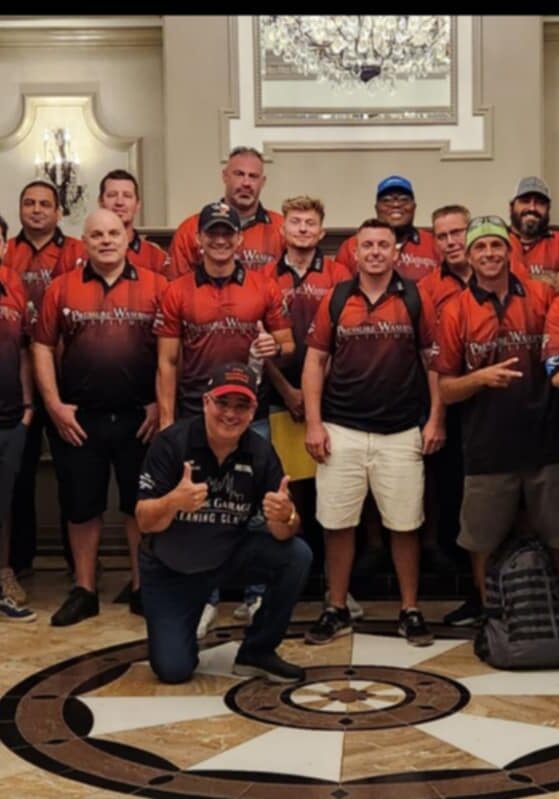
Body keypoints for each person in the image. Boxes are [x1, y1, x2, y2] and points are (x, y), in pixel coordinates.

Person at [155, 200, 294, 636]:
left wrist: (275, 347)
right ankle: (205, 598)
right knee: (200, 509)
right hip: (195, 414)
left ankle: (255, 594)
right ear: (199, 239)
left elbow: (288, 344)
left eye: (226, 232)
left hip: (252, 414)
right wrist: (166, 423)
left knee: (257, 504)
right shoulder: (177, 290)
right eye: (212, 232)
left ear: (239, 238)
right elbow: (167, 362)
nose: (219, 240)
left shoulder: (263, 285)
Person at [302, 218, 443, 647]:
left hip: (401, 430)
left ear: (396, 252)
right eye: (368, 245)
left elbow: (433, 362)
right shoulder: (336, 298)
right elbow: (315, 362)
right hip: (341, 428)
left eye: (384, 244)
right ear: (355, 253)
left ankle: (410, 609)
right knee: (338, 523)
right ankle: (336, 608)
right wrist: (314, 423)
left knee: (405, 524)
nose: (376, 252)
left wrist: (436, 418)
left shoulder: (415, 298)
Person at [136, 361, 312, 684]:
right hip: (171, 570)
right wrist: (173, 501)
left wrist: (285, 515)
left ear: (253, 410)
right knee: (173, 669)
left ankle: (258, 651)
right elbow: (144, 521)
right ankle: (179, 630)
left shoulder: (260, 452)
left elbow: (284, 531)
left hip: (227, 558)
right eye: (222, 403)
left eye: (241, 405)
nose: (231, 414)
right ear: (206, 402)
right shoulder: (171, 444)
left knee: (297, 555)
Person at [32, 209, 167, 625]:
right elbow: (41, 347)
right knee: (81, 507)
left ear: (127, 237)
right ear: (84, 241)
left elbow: (171, 352)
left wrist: (160, 405)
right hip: (79, 419)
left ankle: (142, 587)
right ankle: (85, 590)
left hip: (140, 417)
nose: (106, 240)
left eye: (113, 233)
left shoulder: (157, 286)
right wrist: (54, 405)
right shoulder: (61, 287)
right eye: (97, 235)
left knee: (139, 505)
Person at [433, 215, 559, 607]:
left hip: (546, 443)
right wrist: (479, 378)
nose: (489, 253)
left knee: (557, 536)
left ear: (509, 251)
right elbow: (446, 389)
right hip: (487, 449)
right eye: (480, 247)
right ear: (469, 256)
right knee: (482, 541)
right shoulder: (455, 310)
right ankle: (491, 616)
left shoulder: (542, 296)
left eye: (496, 245)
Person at [262, 195, 364, 619]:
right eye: (296, 222)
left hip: (331, 403)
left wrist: (315, 391)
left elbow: (349, 337)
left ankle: (335, 589)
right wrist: (289, 391)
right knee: (291, 493)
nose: (303, 229)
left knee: (333, 495)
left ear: (322, 232)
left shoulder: (341, 275)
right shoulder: (265, 277)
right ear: (282, 230)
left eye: (310, 223)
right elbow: (259, 341)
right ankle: (290, 584)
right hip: (280, 398)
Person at [3, 179, 84, 586]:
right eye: (29, 203)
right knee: (17, 476)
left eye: (45, 204)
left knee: (73, 475)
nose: (36, 210)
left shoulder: (77, 251)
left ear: (58, 211)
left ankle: (78, 564)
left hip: (65, 378)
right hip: (16, 382)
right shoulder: (8, 252)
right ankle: (18, 563)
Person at [168, 146, 283, 278]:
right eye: (239, 174)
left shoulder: (282, 229)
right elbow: (177, 285)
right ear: (225, 176)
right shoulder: (190, 229)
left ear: (262, 182)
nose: (246, 183)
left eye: (253, 176)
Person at [0, 214, 36, 621]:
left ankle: (3, 577)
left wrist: (28, 407)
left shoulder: (13, 284)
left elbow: (25, 350)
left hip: (10, 417)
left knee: (4, 504)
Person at [335, 175, 439, 282]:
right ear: (377, 208)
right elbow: (341, 289)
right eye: (387, 200)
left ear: (414, 207)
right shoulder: (351, 246)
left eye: (404, 199)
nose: (396, 204)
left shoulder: (433, 244)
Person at [98, 169, 170, 276]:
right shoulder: (83, 254)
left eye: (127, 196)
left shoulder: (157, 257)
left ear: (138, 204)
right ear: (100, 202)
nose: (119, 202)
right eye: (112, 195)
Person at [508, 176, 559, 289]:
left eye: (540, 203)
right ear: (511, 207)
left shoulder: (557, 240)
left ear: (548, 209)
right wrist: (539, 278)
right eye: (525, 201)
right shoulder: (497, 241)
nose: (532, 208)